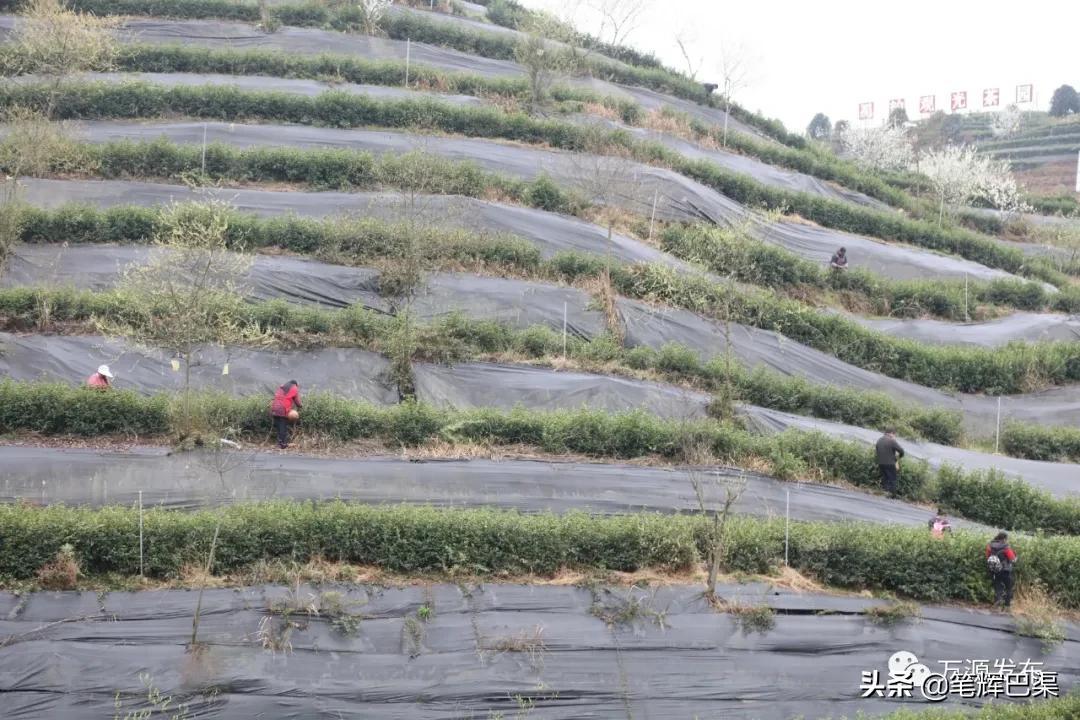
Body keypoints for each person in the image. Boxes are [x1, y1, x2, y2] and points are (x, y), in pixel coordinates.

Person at [986, 531, 1017, 610]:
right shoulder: (1006, 547)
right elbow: (1012, 559)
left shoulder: (990, 545)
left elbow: (988, 557)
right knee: (1009, 587)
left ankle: (997, 602)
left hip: (995, 569)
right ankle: (1007, 606)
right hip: (1005, 570)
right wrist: (1015, 557)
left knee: (998, 586)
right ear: (1004, 539)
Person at [270, 380, 302, 449]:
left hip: (274, 407)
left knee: (278, 425)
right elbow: (297, 401)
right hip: (282, 408)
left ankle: (279, 443)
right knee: (283, 426)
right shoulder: (294, 388)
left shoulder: (281, 387)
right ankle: (282, 444)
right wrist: (300, 406)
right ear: (295, 384)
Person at [875, 429, 904, 498]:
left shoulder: (879, 440)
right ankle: (892, 495)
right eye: (894, 434)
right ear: (891, 433)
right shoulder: (891, 441)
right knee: (892, 479)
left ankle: (884, 492)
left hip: (881, 463)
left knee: (885, 478)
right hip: (890, 463)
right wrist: (898, 457)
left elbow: (877, 450)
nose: (894, 436)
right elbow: (901, 451)